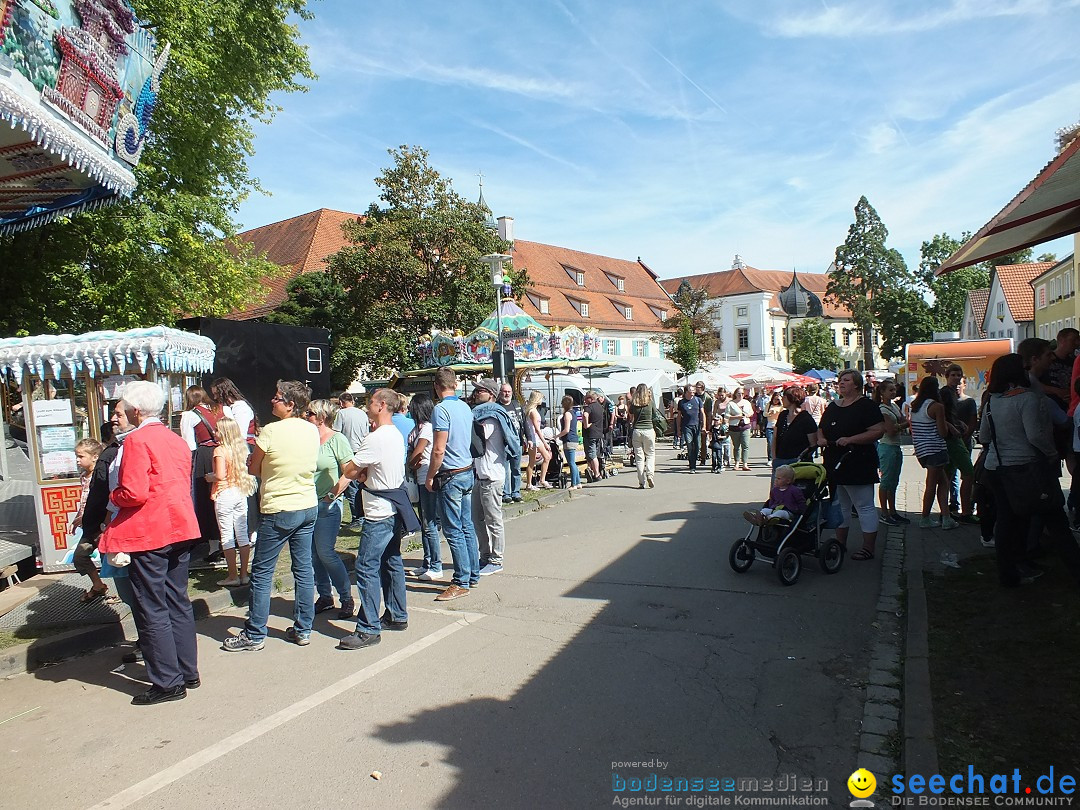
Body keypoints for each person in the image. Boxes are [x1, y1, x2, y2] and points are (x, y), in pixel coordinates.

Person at [99, 381, 200, 705]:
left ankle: (168, 682)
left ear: (136, 410)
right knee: (177, 602)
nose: (120, 416)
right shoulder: (175, 439)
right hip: (180, 526)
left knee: (152, 608)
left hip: (150, 532)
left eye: (122, 410)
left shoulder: (137, 441)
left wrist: (112, 496)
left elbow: (134, 492)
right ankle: (187, 671)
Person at [224, 381, 319, 651]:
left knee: (263, 572)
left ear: (290, 404)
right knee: (303, 570)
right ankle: (303, 629)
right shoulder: (311, 429)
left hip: (279, 507)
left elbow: (254, 467)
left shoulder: (271, 432)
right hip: (306, 504)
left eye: (277, 398)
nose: (272, 402)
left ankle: (254, 634)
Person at [981, 353, 1080, 588]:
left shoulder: (991, 401)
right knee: (1056, 520)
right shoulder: (1027, 400)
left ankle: (1008, 574)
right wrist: (1051, 453)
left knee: (1006, 522)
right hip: (1028, 469)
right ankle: (1076, 570)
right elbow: (1035, 435)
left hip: (997, 467)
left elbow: (984, 436)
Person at [338, 388, 418, 650]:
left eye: (370, 402)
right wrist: (364, 473)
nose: (367, 406)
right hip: (393, 507)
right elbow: (370, 470)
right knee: (391, 561)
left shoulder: (376, 438)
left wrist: (350, 466)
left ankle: (368, 628)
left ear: (381, 405)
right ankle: (396, 615)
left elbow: (351, 470)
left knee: (366, 566)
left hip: (379, 511)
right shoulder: (394, 433)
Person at [812, 369, 885, 561]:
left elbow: (878, 431)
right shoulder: (833, 406)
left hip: (857, 460)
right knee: (840, 506)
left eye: (846, 380)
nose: (841, 383)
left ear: (856, 384)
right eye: (840, 380)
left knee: (864, 506)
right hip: (834, 461)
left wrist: (851, 439)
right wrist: (821, 439)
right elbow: (821, 429)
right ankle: (840, 544)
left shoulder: (866, 406)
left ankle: (868, 548)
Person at [426, 367, 480, 601]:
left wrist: (430, 475)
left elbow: (439, 448)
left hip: (451, 473)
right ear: (455, 384)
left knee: (453, 528)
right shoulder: (464, 407)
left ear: (437, 387)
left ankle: (460, 581)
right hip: (467, 469)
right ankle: (472, 574)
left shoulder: (440, 409)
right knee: (466, 525)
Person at [306, 399, 355, 618]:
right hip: (306, 503)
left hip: (328, 505)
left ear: (321, 417)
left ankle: (346, 597)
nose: (305, 416)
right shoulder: (306, 439)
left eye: (309, 413)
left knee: (325, 552)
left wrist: (332, 495)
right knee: (313, 554)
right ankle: (325, 596)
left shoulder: (337, 439)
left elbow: (350, 472)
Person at [472, 378, 521, 575]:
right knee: (477, 519)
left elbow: (477, 440)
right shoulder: (479, 414)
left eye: (480, 391)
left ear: (491, 394)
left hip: (492, 475)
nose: (476, 394)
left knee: (493, 519)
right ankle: (484, 556)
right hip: (480, 475)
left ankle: (496, 559)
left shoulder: (492, 416)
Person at [210, 417, 258, 587]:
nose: (214, 433)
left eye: (217, 430)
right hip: (240, 491)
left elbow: (220, 475)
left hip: (224, 493)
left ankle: (232, 576)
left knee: (227, 536)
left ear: (223, 432)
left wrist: (210, 477)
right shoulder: (241, 449)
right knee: (242, 534)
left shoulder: (220, 450)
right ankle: (244, 573)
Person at [180, 386, 223, 563]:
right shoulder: (221, 409)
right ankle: (228, 540)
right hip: (226, 452)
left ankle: (213, 546)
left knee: (206, 499)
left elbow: (188, 444)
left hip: (205, 456)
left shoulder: (189, 415)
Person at [909, 376, 957, 530]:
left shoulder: (915, 406)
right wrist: (949, 427)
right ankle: (925, 517)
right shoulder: (937, 407)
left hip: (922, 450)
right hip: (936, 448)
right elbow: (943, 433)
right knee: (932, 484)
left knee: (943, 482)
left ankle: (946, 517)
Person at [407, 393, 444, 581]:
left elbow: (418, 451)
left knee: (429, 524)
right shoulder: (418, 428)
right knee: (425, 523)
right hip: (420, 478)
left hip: (427, 477)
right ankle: (427, 561)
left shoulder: (427, 428)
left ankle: (436, 565)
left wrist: (411, 462)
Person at [70, 437, 107, 602]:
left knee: (110, 558)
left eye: (81, 456)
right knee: (80, 556)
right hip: (89, 523)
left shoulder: (100, 475)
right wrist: (79, 517)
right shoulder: (84, 476)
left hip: (100, 523)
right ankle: (98, 584)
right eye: (76, 456)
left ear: (94, 456)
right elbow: (84, 501)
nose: (78, 460)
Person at [944, 365, 978, 521]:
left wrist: (961, 427)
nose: (956, 378)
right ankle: (963, 512)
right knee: (966, 473)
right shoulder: (945, 393)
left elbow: (970, 421)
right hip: (951, 440)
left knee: (949, 476)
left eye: (959, 375)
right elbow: (942, 417)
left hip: (959, 439)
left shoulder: (966, 400)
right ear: (947, 376)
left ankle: (952, 512)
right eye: (953, 375)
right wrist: (953, 427)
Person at [874, 380, 908, 526]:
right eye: (890, 390)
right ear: (882, 392)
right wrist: (904, 424)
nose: (893, 393)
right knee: (886, 481)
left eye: (894, 390)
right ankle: (884, 513)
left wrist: (901, 424)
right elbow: (891, 429)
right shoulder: (882, 409)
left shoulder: (893, 406)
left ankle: (893, 511)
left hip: (895, 446)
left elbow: (900, 421)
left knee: (894, 481)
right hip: (887, 446)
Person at [334, 391, 369, 526]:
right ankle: (364, 513)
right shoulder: (362, 413)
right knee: (362, 483)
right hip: (362, 449)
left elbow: (337, 432)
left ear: (342, 402)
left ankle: (357, 516)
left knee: (351, 484)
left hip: (348, 451)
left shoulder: (341, 414)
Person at [771, 385, 816, 477]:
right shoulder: (783, 415)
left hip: (798, 462)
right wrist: (774, 458)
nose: (781, 398)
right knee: (778, 490)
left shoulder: (805, 418)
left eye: (784, 396)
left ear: (792, 398)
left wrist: (802, 458)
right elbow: (775, 437)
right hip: (780, 460)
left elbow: (813, 443)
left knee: (795, 490)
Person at [498, 382, 526, 503]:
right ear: (500, 393)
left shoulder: (517, 405)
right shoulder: (497, 407)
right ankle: (506, 494)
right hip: (503, 444)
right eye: (504, 391)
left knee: (516, 469)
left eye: (509, 391)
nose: (507, 394)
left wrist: (528, 438)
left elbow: (524, 422)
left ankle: (516, 492)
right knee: (505, 470)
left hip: (517, 442)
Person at [629, 384, 659, 488]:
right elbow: (655, 415)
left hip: (637, 431)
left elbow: (630, 415)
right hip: (649, 430)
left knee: (639, 458)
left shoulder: (634, 403)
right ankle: (650, 474)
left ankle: (641, 482)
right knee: (650, 454)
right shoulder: (650, 402)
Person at [523, 392, 553, 490]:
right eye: (540, 398)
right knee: (532, 461)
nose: (542, 401)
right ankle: (529, 484)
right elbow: (537, 428)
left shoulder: (533, 410)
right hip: (534, 437)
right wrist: (544, 442)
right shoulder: (532, 411)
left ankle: (542, 479)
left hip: (537, 437)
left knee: (547, 457)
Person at [675, 385, 704, 473]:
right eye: (690, 391)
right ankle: (692, 466)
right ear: (686, 392)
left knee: (697, 446)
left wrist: (704, 426)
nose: (692, 392)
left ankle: (694, 461)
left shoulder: (698, 400)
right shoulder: (682, 402)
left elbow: (702, 413)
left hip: (697, 425)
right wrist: (678, 430)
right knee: (690, 445)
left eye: (693, 391)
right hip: (686, 426)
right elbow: (679, 416)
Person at [726, 387, 754, 470]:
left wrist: (748, 415)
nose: (740, 395)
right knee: (736, 446)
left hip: (745, 425)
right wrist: (736, 417)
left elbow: (751, 412)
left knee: (745, 445)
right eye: (739, 393)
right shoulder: (731, 403)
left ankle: (745, 463)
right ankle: (737, 463)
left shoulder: (746, 402)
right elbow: (727, 415)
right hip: (734, 426)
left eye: (742, 394)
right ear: (735, 394)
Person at [558, 395, 582, 489]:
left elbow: (566, 429)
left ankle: (574, 483)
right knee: (573, 462)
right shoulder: (573, 413)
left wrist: (557, 436)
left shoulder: (567, 414)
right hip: (573, 439)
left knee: (571, 462)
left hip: (569, 439)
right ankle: (578, 482)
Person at [582, 390, 606, 483]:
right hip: (598, 433)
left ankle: (596, 473)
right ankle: (593, 471)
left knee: (592, 455)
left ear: (590, 398)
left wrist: (586, 424)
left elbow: (585, 414)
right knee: (595, 453)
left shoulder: (589, 407)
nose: (584, 400)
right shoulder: (600, 407)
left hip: (590, 433)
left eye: (586, 398)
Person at [713, 388, 734, 470]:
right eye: (719, 395)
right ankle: (721, 460)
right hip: (719, 422)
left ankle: (727, 459)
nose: (721, 397)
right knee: (721, 442)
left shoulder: (730, 401)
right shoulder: (717, 402)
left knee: (727, 441)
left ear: (725, 393)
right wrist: (714, 422)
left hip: (728, 422)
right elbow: (714, 412)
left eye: (722, 395)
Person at [694, 382, 714, 468]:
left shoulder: (707, 398)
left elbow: (709, 413)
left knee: (703, 442)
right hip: (694, 420)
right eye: (696, 387)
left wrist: (708, 427)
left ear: (702, 388)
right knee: (694, 442)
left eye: (698, 387)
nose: (696, 388)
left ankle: (703, 458)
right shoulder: (693, 396)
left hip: (703, 421)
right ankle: (693, 459)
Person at [764, 391, 783, 463]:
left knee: (779, 443)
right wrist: (769, 414)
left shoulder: (781, 406)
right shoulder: (769, 404)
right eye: (775, 399)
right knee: (770, 443)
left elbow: (784, 410)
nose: (776, 401)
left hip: (778, 426)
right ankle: (770, 459)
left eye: (777, 399)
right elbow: (764, 414)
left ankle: (777, 457)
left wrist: (781, 401)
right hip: (770, 426)